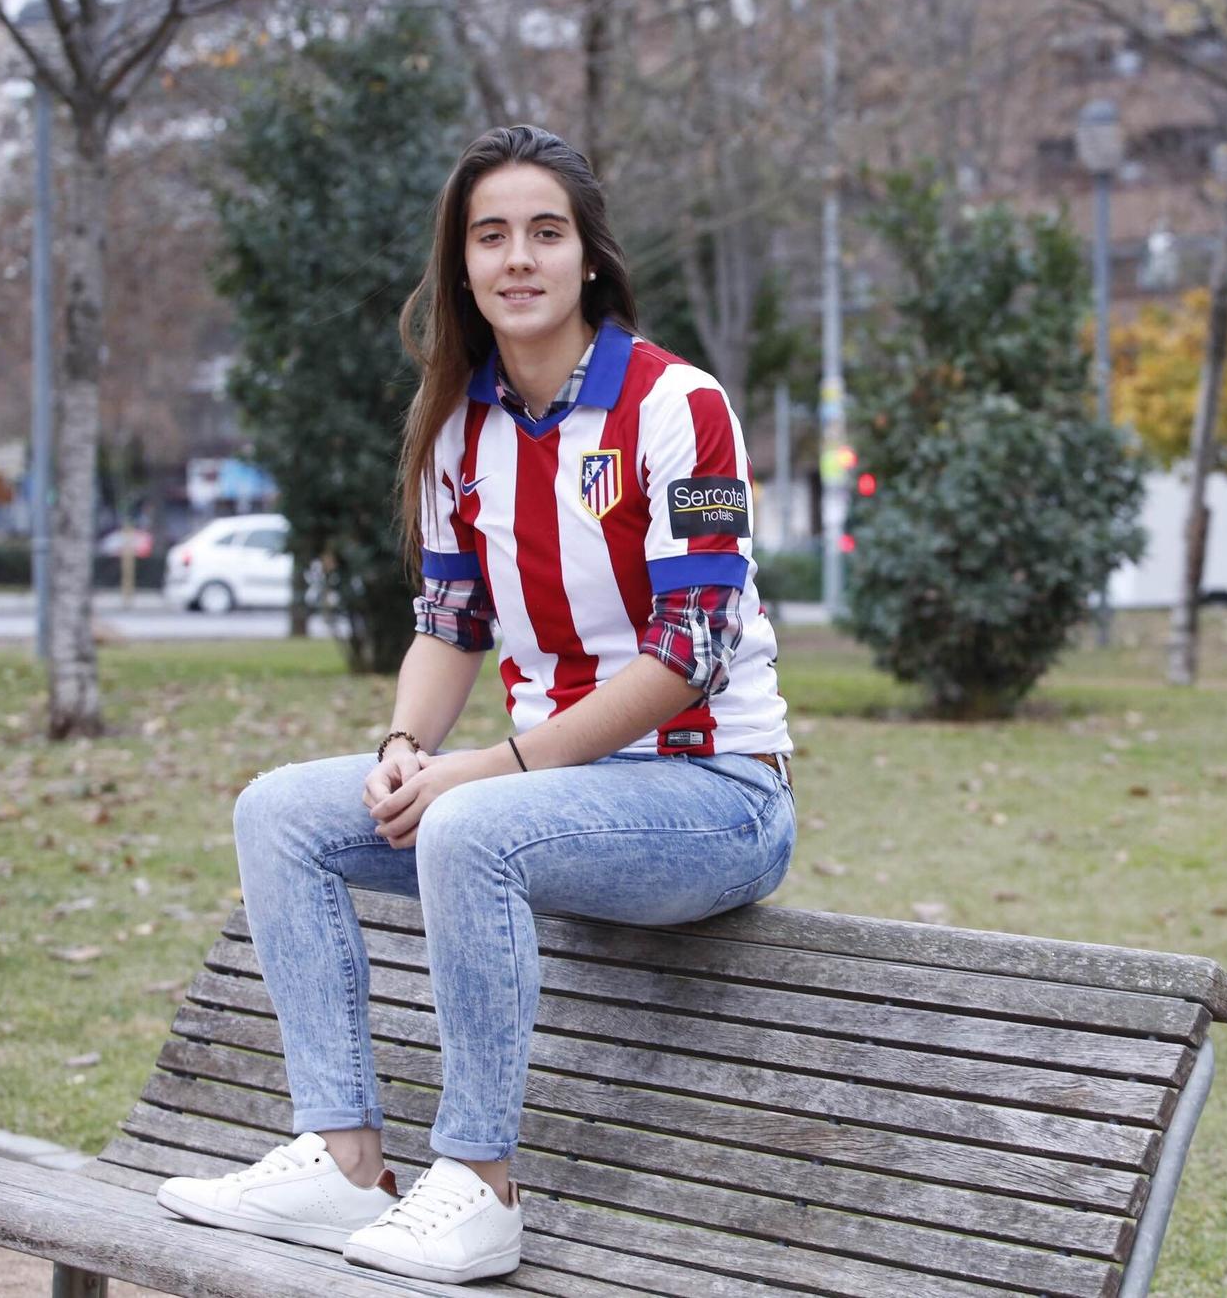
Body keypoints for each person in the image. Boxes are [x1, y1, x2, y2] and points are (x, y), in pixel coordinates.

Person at [154, 125, 795, 1285]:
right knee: (281, 812)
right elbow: (449, 627)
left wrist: (483, 775)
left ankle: (481, 1184)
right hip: (543, 797)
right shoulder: (459, 427)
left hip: (716, 797)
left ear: (588, 257)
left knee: (466, 821)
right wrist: (407, 745)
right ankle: (341, 1152)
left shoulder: (677, 406)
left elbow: (691, 654)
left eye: (544, 233)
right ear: (459, 267)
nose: (517, 258)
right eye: (487, 236)